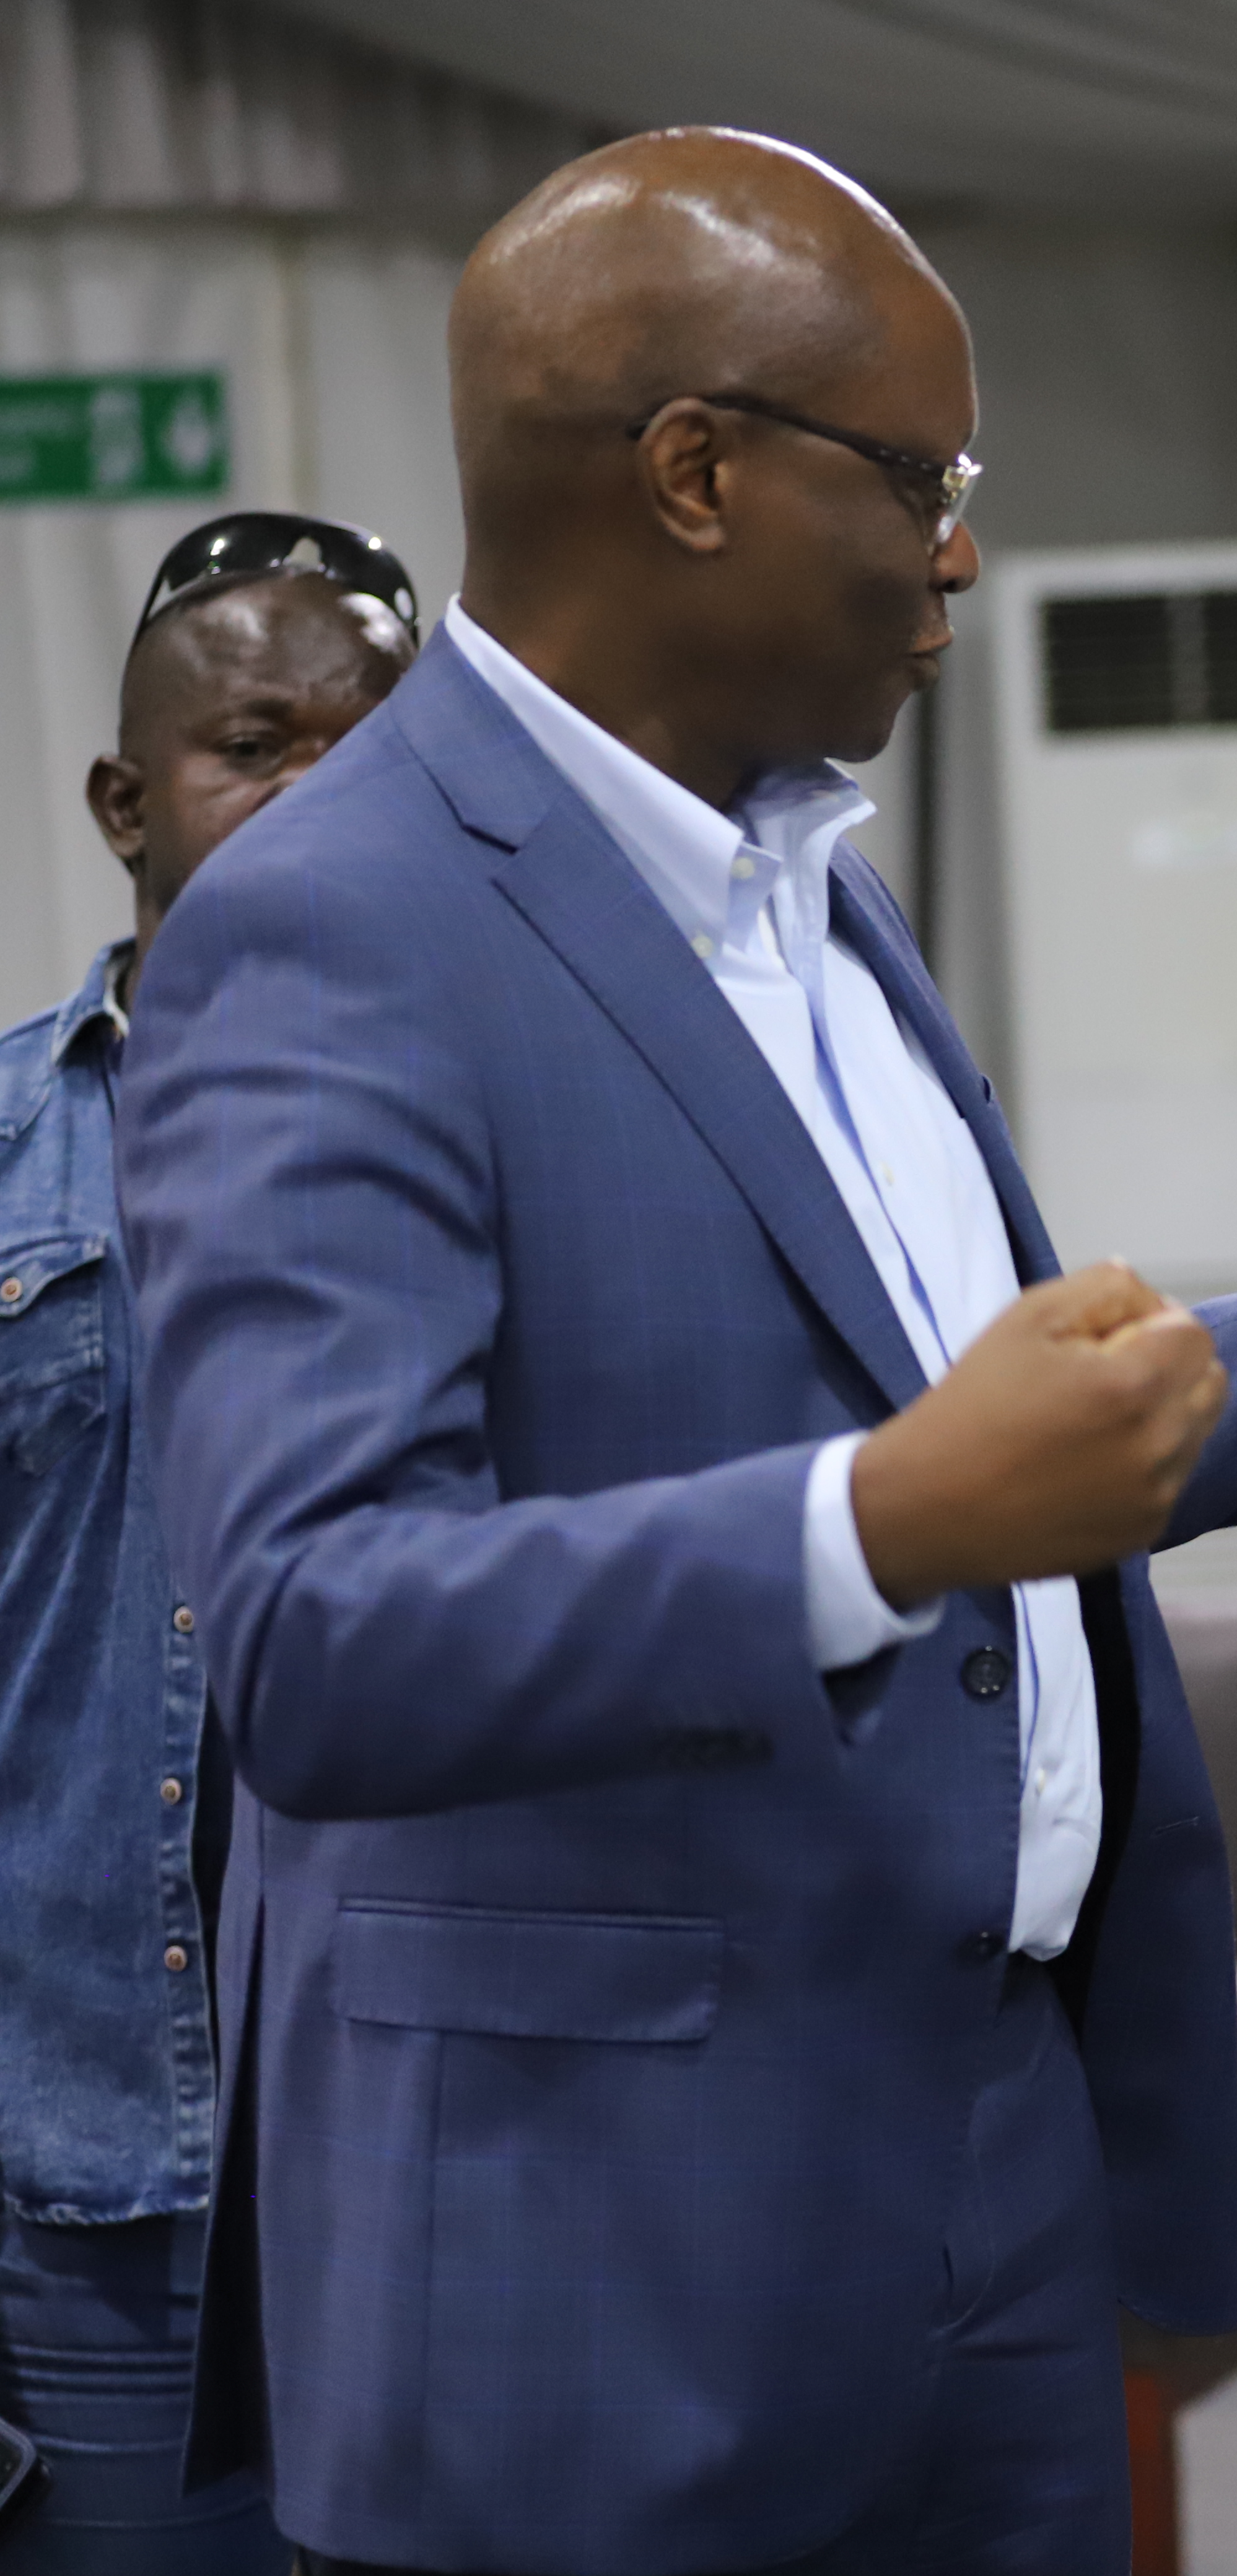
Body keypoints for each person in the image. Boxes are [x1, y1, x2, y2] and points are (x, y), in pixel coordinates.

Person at [117, 131, 1237, 2573]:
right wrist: (880, 1522)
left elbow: (976, 1428)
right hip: (608, 2263)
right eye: (920, 481)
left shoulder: (812, 887)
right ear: (694, 475)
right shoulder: (335, 934)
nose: (958, 552)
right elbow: (318, 1630)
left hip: (982, 2173)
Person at [0, 513, 418, 2576]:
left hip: (453, 2165)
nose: (324, 798)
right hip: (100, 2201)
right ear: (123, 801)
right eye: (262, 746)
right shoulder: (3, 1171)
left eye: (379, 750)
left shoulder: (540, 1154)